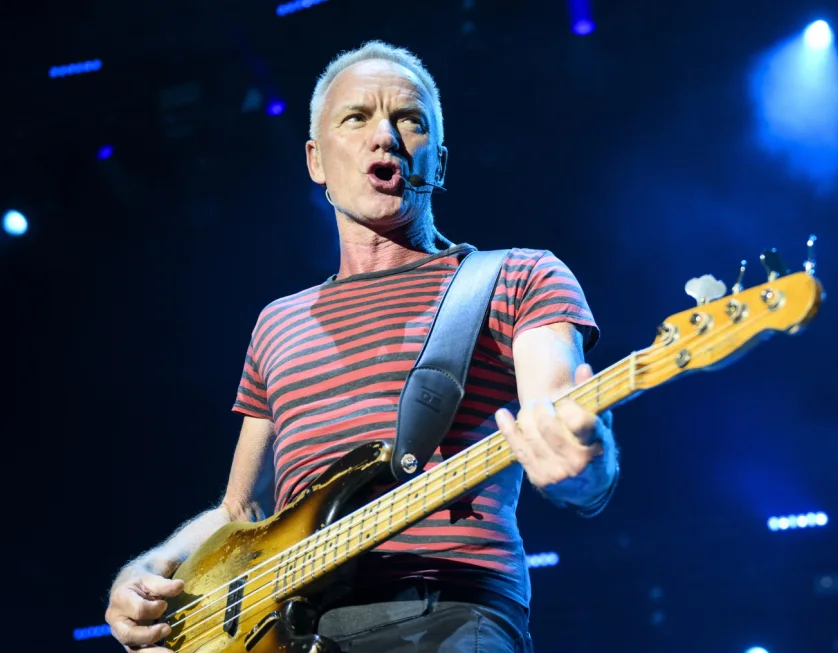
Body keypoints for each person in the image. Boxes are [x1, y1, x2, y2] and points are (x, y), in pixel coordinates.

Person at [103, 40, 619, 653]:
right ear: (316, 160)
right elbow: (240, 511)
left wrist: (585, 469)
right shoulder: (278, 323)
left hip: (446, 610)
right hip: (286, 628)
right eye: (357, 117)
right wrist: (154, 567)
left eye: (410, 119)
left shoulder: (517, 276)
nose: (386, 136)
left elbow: (556, 413)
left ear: (441, 162)